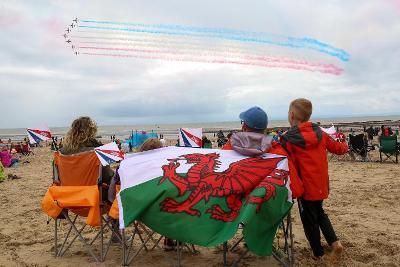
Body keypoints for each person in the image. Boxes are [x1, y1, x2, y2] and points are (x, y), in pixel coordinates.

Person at [281, 98, 348, 261]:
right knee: (320, 213)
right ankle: (334, 243)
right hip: (321, 184)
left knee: (309, 220)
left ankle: (317, 253)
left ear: (291, 115)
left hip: (304, 187)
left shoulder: (288, 139)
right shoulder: (320, 133)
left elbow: (281, 158)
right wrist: (344, 143)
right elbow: (338, 149)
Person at [222, 106, 303, 198]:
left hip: (234, 205)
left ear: (244, 126)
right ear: (265, 129)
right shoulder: (279, 153)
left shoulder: (228, 149)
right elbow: (296, 190)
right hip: (264, 208)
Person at [60, 116, 114, 185]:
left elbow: (57, 179)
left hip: (66, 193)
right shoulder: (96, 153)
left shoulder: (60, 154)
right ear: (91, 133)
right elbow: (108, 177)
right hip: (90, 194)